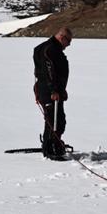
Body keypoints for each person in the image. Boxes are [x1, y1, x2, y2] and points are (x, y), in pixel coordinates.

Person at [33, 27, 72, 160]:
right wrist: (53, 90)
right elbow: (47, 71)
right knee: (52, 119)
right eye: (69, 41)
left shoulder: (53, 49)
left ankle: (55, 143)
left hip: (54, 90)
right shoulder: (49, 49)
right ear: (62, 38)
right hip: (47, 90)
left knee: (59, 119)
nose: (69, 44)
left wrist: (62, 89)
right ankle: (49, 147)